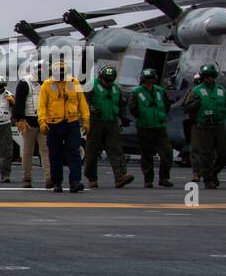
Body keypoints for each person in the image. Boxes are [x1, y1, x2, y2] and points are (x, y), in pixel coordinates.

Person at [38, 59, 90, 193]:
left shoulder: (74, 83)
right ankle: (57, 183)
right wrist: (42, 122)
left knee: (74, 153)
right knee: (55, 154)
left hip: (71, 123)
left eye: (62, 73)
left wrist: (86, 120)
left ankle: (75, 182)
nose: (60, 76)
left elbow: (82, 103)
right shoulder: (47, 85)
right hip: (53, 125)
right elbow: (42, 106)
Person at [182, 62, 226, 188]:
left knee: (225, 151)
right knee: (206, 154)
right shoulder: (196, 91)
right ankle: (208, 179)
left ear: (214, 76)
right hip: (204, 126)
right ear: (203, 77)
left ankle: (213, 172)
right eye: (206, 76)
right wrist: (196, 104)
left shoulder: (221, 90)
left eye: (211, 76)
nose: (209, 79)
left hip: (219, 125)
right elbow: (187, 107)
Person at [83, 65, 134, 188]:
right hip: (96, 122)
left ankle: (120, 176)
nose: (108, 82)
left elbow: (121, 104)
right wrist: (91, 108)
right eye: (106, 79)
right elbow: (83, 101)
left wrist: (123, 116)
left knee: (116, 149)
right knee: (92, 151)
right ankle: (91, 177)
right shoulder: (91, 86)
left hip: (111, 122)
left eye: (111, 80)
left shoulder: (116, 88)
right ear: (100, 77)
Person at [129, 68, 174, 188]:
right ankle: (148, 179)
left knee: (167, 153)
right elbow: (133, 108)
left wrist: (162, 115)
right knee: (147, 154)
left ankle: (164, 178)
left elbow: (167, 105)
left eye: (151, 80)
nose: (149, 83)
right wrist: (143, 116)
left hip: (159, 127)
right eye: (147, 81)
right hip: (144, 128)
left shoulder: (160, 91)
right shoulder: (137, 92)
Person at [12, 64, 51, 188]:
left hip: (44, 121)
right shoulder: (24, 82)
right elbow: (19, 101)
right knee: (27, 151)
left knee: (45, 150)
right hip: (29, 122)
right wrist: (20, 118)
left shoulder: (49, 83)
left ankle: (49, 177)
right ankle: (27, 178)